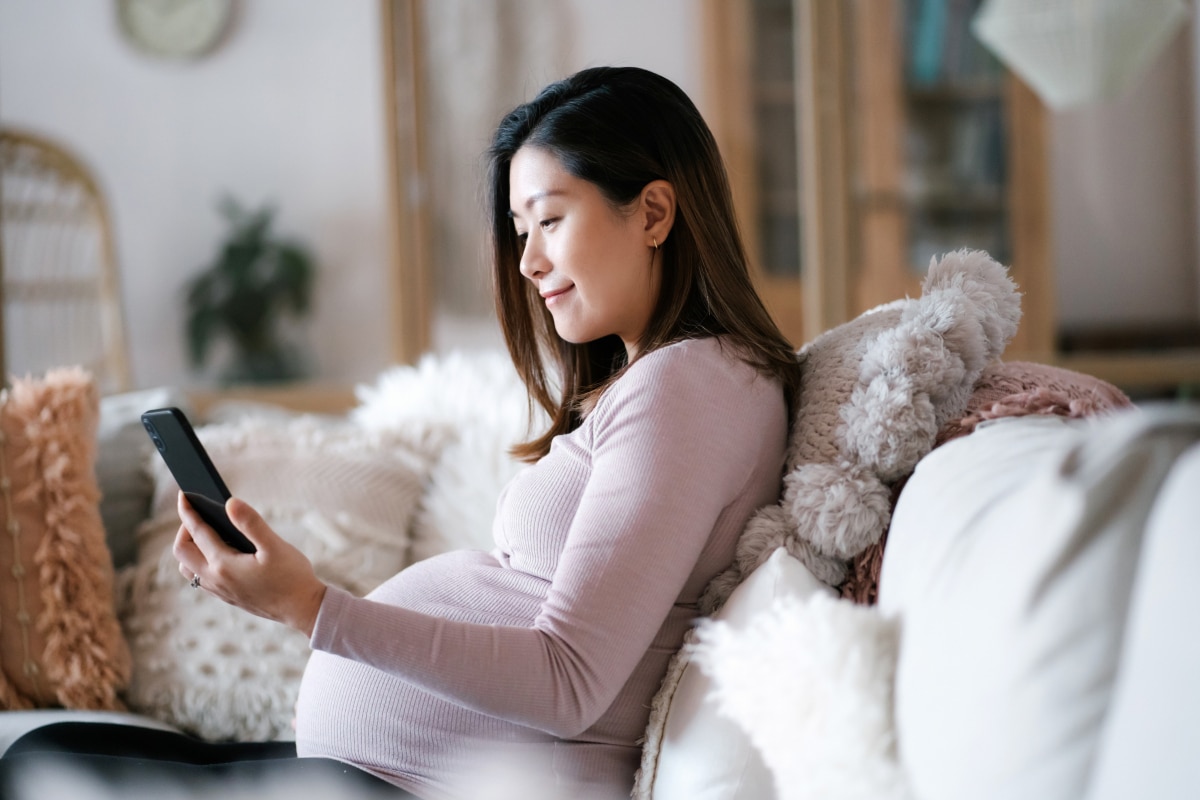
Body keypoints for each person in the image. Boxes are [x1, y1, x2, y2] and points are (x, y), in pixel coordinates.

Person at [0, 66, 800, 800]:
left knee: (38, 767)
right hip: (393, 776)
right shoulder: (672, 382)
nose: (526, 263)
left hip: (447, 786)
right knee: (53, 747)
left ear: (654, 212)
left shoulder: (690, 384)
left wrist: (312, 608)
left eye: (550, 220)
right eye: (520, 231)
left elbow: (569, 680)